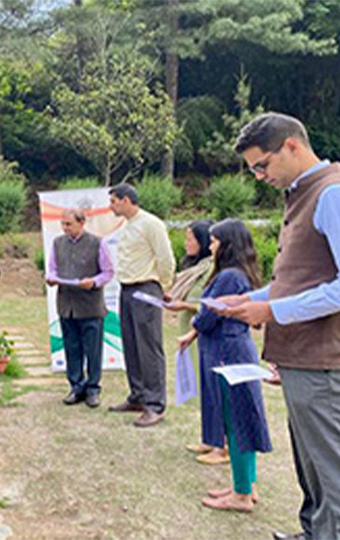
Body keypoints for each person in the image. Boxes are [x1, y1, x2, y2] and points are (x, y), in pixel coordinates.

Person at [214, 112, 340, 540]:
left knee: (337, 476)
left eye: (262, 165)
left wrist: (271, 312)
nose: (259, 176)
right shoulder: (302, 194)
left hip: (324, 360)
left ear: (292, 145)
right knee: (311, 468)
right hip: (301, 360)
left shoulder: (332, 195)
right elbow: (298, 279)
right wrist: (250, 299)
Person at [180, 219, 273, 513]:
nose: (211, 246)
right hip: (228, 348)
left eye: (216, 242)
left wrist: (196, 323)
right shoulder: (234, 274)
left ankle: (242, 494)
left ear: (227, 245)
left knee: (237, 422)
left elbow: (209, 315)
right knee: (239, 419)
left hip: (227, 352)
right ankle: (245, 484)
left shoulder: (229, 277)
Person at [106, 183, 176, 427]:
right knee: (131, 344)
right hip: (126, 289)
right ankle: (137, 395)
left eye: (114, 201)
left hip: (146, 287)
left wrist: (164, 286)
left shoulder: (151, 224)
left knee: (148, 346)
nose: (111, 206)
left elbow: (165, 258)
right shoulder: (128, 226)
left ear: (126, 200)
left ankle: (155, 405)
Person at [164, 220, 226, 464]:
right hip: (193, 329)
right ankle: (210, 439)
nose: (187, 243)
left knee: (214, 388)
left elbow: (218, 304)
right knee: (205, 389)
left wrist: (185, 305)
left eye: (191, 238)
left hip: (208, 332)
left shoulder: (216, 269)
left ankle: (223, 445)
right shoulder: (198, 266)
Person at [45, 208, 114, 408]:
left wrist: (93, 282)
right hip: (67, 305)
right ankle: (76, 386)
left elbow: (108, 272)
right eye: (62, 224)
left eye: (69, 224)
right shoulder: (57, 243)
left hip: (90, 306)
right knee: (71, 348)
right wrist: (50, 278)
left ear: (81, 223)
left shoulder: (97, 243)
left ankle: (93, 389)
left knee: (93, 350)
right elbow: (52, 268)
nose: (65, 228)